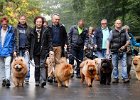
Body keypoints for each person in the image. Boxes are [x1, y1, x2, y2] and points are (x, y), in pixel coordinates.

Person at [29, 16, 52, 87]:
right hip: (35, 51)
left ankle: (43, 80)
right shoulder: (32, 31)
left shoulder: (46, 30)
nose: (39, 23)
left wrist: (50, 49)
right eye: (37, 22)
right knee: (37, 66)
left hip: (43, 51)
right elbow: (29, 41)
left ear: (42, 23)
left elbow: (49, 40)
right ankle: (37, 80)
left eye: (40, 22)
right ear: (35, 23)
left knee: (42, 65)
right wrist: (28, 49)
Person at [48, 13, 67, 82]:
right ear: (52, 19)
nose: (57, 20)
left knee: (58, 62)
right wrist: (48, 47)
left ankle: (56, 76)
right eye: (56, 19)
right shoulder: (49, 27)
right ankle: (50, 76)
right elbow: (46, 38)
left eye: (58, 19)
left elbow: (65, 36)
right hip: (51, 47)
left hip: (59, 47)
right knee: (51, 61)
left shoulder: (62, 27)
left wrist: (66, 44)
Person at [13, 15, 31, 83]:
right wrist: (14, 50)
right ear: (19, 20)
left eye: (24, 19)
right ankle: (19, 77)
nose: (22, 20)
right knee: (18, 65)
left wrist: (28, 49)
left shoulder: (29, 29)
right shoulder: (16, 28)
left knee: (26, 63)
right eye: (21, 19)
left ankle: (27, 77)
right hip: (18, 49)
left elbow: (30, 40)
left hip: (26, 49)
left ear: (25, 20)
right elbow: (14, 40)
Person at [0, 17, 14, 87]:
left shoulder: (11, 30)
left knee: (7, 65)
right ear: (1, 23)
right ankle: (3, 80)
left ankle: (8, 79)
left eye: (5, 24)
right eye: (3, 24)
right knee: (2, 66)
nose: (4, 25)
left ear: (7, 23)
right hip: (0, 50)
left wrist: (13, 50)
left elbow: (14, 41)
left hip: (8, 50)